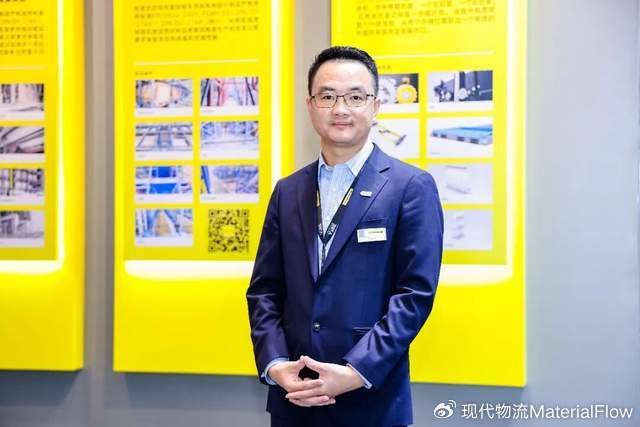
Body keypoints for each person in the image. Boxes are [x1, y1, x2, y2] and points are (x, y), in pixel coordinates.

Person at [246, 46, 443, 427]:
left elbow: (414, 295)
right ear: (310, 105)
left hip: (371, 401)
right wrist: (275, 363)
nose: (340, 109)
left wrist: (356, 371)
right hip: (294, 400)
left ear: (376, 105)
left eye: (355, 97)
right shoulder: (288, 191)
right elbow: (265, 290)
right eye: (328, 96)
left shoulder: (410, 187)